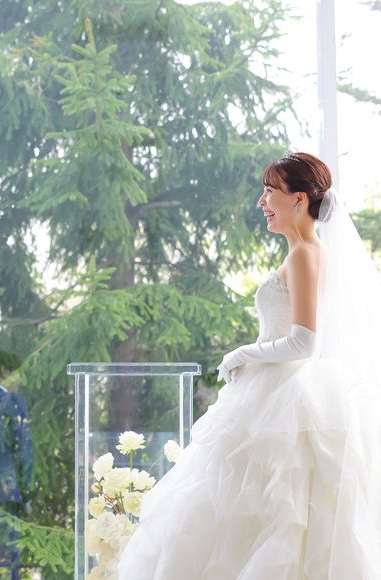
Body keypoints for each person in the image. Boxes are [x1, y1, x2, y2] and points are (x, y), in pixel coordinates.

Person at [118, 152, 381, 579]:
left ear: (298, 200)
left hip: (282, 395)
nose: (262, 201)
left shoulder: (304, 255)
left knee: (272, 513)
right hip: (273, 390)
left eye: (270, 191)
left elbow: (304, 342)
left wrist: (242, 354)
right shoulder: (303, 253)